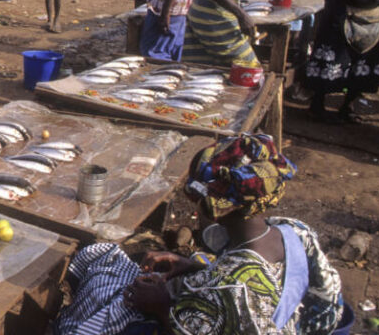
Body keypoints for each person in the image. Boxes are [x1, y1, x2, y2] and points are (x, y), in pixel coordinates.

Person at [54, 134, 346, 335]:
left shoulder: (229, 286)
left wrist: (161, 307)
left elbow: (199, 320)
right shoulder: (294, 231)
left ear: (217, 208)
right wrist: (194, 265)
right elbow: (318, 293)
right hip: (297, 324)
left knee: (106, 287)